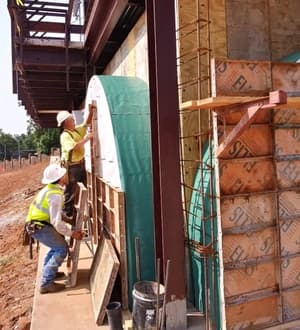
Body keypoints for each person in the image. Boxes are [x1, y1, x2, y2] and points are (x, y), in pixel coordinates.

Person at [25, 163, 83, 294]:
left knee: (56, 247)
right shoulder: (55, 194)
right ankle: (46, 283)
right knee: (61, 248)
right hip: (38, 226)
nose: (67, 175)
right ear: (60, 178)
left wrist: (67, 219)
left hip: (37, 224)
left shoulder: (51, 189)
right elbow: (56, 222)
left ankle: (49, 272)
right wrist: (72, 233)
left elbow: (53, 212)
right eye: (65, 174)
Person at [56, 108, 94, 218]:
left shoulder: (75, 131)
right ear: (66, 123)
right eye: (72, 120)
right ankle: (67, 214)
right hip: (72, 167)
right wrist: (87, 138)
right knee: (70, 191)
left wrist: (91, 112)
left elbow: (86, 124)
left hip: (80, 165)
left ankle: (85, 211)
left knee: (85, 188)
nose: (74, 121)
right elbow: (75, 146)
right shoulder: (65, 135)